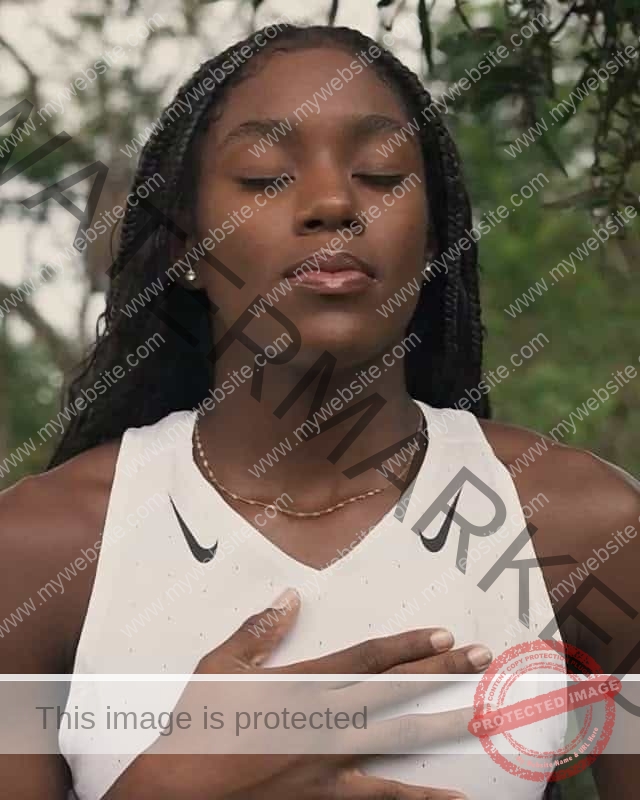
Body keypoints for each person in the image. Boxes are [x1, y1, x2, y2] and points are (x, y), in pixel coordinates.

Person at [0, 22, 638, 800]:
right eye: (265, 176)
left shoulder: (585, 530)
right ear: (186, 248)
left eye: (380, 173)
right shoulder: (39, 552)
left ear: (433, 236)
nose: (334, 202)